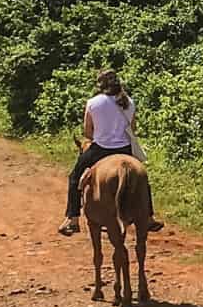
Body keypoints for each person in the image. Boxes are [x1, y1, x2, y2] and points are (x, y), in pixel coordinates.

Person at [58, 68, 162, 235]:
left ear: (100, 85)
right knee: (143, 179)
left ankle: (72, 219)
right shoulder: (128, 102)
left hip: (100, 149)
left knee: (74, 177)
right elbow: (133, 129)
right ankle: (149, 217)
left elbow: (88, 133)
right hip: (125, 149)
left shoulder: (93, 103)